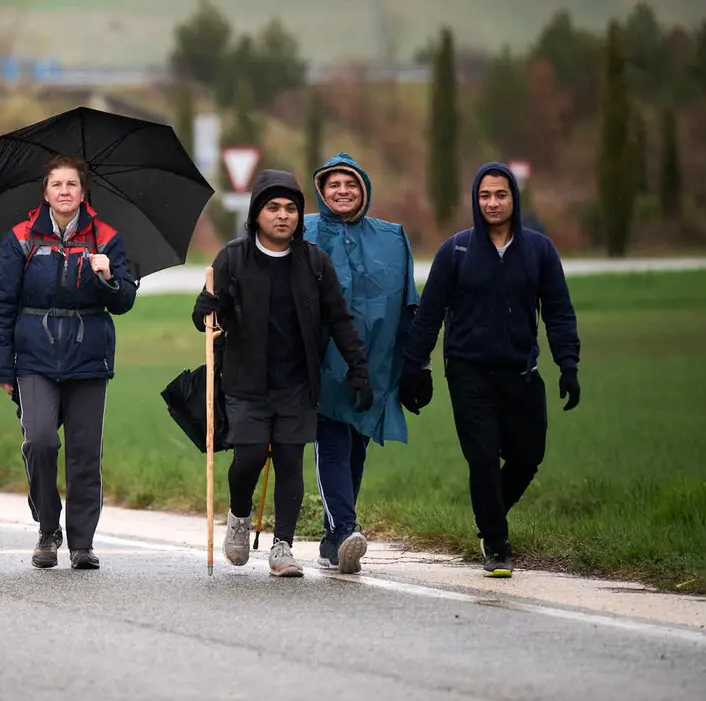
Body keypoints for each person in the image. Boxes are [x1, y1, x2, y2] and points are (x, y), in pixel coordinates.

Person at [400, 162, 581, 579]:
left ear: (514, 199)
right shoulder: (456, 251)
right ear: (474, 201)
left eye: (501, 195)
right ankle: (496, 545)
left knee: (527, 457)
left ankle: (488, 512)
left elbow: (557, 311)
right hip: (469, 373)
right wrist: (416, 366)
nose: (492, 203)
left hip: (521, 372)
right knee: (481, 458)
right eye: (484, 196)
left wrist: (567, 363)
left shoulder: (539, 250)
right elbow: (428, 316)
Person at [192, 169, 371, 578]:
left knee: (291, 463)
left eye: (291, 208)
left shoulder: (314, 263)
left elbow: (340, 321)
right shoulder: (233, 258)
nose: (283, 216)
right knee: (250, 457)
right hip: (245, 383)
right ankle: (238, 517)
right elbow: (205, 318)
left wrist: (358, 370)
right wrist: (203, 308)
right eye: (273, 207)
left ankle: (283, 547)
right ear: (257, 213)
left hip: (297, 384)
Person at [0, 154, 137, 571]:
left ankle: (82, 544)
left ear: (84, 192)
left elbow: (124, 301)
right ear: (45, 192)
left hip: (89, 358)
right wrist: (0, 364)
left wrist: (107, 277)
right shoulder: (20, 239)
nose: (65, 191)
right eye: (57, 184)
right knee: (40, 442)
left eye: (72, 184)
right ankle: (48, 528)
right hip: (34, 357)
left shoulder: (106, 238)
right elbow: (1, 304)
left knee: (85, 454)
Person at [305, 152, 421, 574]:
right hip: (320, 365)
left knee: (356, 446)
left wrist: (415, 366)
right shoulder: (304, 231)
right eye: (333, 184)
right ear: (321, 191)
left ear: (364, 190)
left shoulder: (391, 238)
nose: (342, 191)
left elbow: (410, 304)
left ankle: (332, 536)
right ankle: (346, 528)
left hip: (374, 365)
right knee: (331, 440)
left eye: (350, 184)